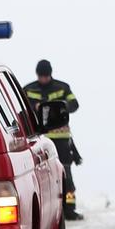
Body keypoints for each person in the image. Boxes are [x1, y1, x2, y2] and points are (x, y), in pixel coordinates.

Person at [22, 60, 83, 220]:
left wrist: (61, 106)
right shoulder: (28, 89)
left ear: (50, 74)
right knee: (42, 176)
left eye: (46, 76)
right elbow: (20, 108)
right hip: (39, 139)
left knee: (66, 175)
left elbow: (74, 104)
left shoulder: (62, 88)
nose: (44, 79)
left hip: (61, 139)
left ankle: (70, 208)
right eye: (41, 76)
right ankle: (46, 211)